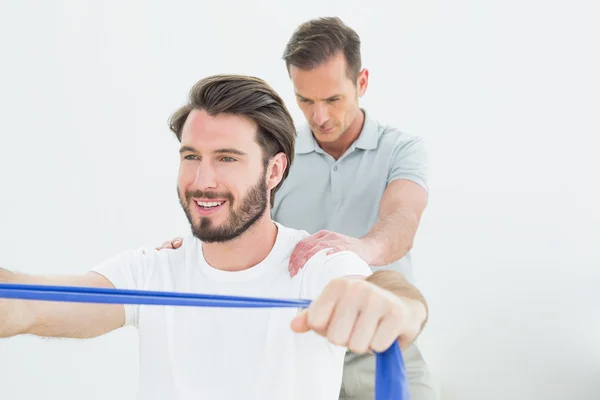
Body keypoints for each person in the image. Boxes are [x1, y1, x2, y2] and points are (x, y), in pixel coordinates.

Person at [0, 74, 428, 400]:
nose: (203, 181)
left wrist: (396, 307)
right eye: (191, 157)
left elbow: (388, 292)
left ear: (274, 171)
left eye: (227, 158)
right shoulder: (153, 269)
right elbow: (30, 304)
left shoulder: (314, 264)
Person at [158, 18, 438, 400]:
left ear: (362, 83)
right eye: (305, 100)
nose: (318, 117)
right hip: (300, 348)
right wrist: (199, 250)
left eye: (332, 100)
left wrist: (361, 248)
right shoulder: (279, 158)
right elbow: (245, 221)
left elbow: (403, 217)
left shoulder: (401, 150)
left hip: (381, 346)